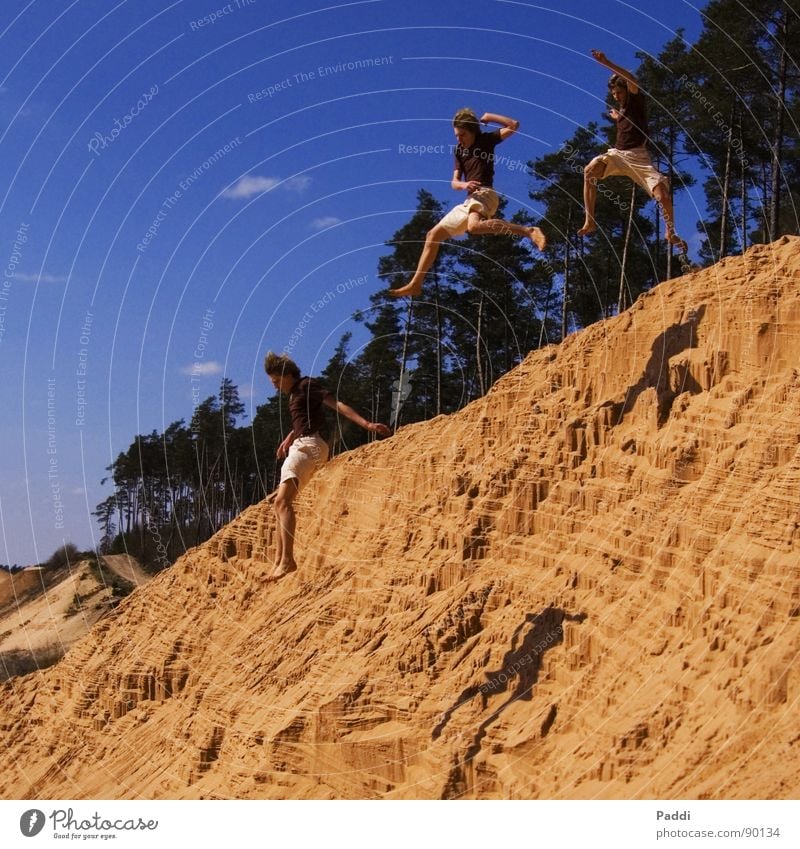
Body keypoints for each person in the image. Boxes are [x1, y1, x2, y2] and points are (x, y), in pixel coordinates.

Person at [389, 108, 546, 297]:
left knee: (473, 227)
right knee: (433, 234)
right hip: (469, 200)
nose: (459, 139)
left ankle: (528, 231)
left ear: (473, 131)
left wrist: (489, 116)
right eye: (456, 135)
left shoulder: (485, 141)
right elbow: (454, 183)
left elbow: (514, 125)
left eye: (462, 134)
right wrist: (465, 184)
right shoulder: (458, 151)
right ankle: (416, 284)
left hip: (486, 194)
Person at [263, 351, 391, 582]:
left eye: (276, 381)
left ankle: (287, 562)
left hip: (309, 446)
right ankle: (278, 562)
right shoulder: (295, 393)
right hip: (300, 444)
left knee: (282, 502)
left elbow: (337, 405)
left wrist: (367, 424)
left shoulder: (307, 385)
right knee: (279, 504)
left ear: (286, 374)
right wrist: (289, 438)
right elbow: (305, 418)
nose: (275, 387)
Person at [578, 49, 688, 255]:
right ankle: (590, 220)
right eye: (614, 95)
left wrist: (606, 61)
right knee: (589, 171)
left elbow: (629, 77)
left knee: (662, 194)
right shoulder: (623, 111)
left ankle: (670, 233)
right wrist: (616, 116)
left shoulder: (637, 99)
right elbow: (625, 120)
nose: (617, 97)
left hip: (640, 158)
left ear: (627, 90)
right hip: (618, 155)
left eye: (619, 93)